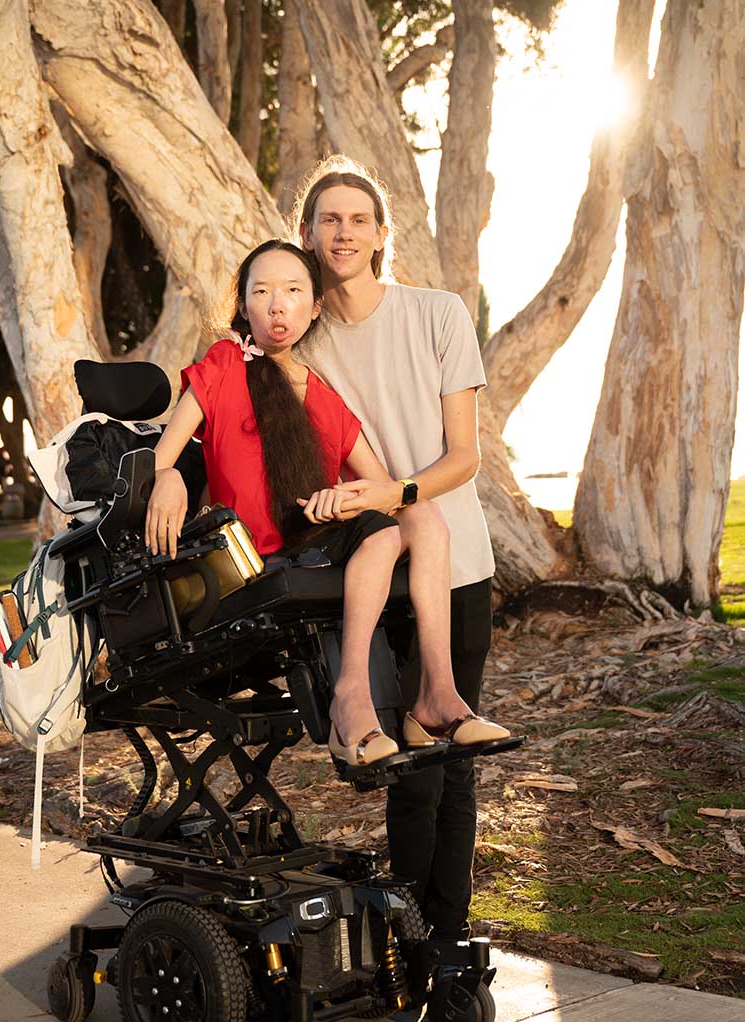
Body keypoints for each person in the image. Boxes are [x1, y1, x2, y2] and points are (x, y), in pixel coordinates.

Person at [142, 239, 507, 768]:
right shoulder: (224, 363)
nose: (276, 305)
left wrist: (342, 499)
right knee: (384, 532)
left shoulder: (321, 393)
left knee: (420, 514)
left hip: (314, 543)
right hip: (253, 561)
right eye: (261, 292)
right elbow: (165, 453)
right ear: (243, 306)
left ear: (313, 308)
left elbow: (381, 488)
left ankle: (439, 692)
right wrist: (169, 476)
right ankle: (351, 700)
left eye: (292, 291)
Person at [293, 156, 500, 942]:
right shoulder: (302, 346)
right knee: (406, 780)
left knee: (451, 765)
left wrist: (389, 492)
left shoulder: (438, 312)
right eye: (327, 219)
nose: (342, 232)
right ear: (306, 235)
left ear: (381, 235)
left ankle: (446, 939)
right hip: (375, 575)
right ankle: (412, 940)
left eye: (356, 219)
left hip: (457, 564)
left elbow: (461, 459)